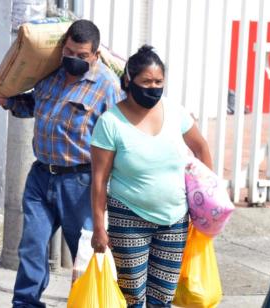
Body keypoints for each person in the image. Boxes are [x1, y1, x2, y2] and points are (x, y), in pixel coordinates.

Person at [0, 19, 123, 308]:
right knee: (31, 247)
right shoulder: (51, 75)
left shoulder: (107, 86)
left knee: (85, 254)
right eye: (69, 52)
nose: (73, 59)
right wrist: (5, 101)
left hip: (80, 183)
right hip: (41, 176)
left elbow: (120, 136)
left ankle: (89, 303)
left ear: (95, 55)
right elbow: (34, 105)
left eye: (81, 55)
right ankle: (25, 303)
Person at [90, 45, 213, 308]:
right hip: (128, 218)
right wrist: (99, 227)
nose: (153, 87)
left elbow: (201, 147)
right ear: (128, 81)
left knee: (163, 299)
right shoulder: (111, 123)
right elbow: (99, 180)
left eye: (159, 82)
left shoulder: (175, 112)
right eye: (146, 81)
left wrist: (210, 199)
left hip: (175, 219)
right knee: (132, 297)